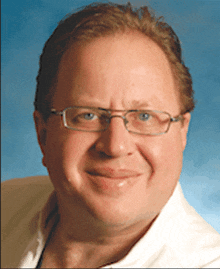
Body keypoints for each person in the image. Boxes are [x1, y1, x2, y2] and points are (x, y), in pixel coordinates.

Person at [2, 2, 220, 268]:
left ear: (182, 132)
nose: (115, 146)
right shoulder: (6, 205)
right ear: (43, 133)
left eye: (144, 116)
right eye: (88, 115)